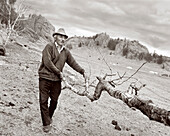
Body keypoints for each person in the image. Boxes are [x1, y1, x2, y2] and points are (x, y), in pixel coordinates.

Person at [38, 28, 87, 132]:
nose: (62, 39)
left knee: (54, 101)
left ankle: (48, 117)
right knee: (43, 101)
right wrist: (59, 72)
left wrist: (82, 72)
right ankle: (46, 124)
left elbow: (73, 63)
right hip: (45, 78)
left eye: (64, 37)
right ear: (55, 37)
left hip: (56, 80)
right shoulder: (49, 47)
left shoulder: (66, 52)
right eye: (60, 36)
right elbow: (47, 62)